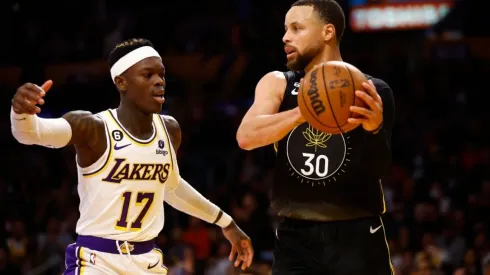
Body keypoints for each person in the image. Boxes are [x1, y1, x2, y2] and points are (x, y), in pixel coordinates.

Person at [10, 38, 254, 274]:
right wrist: (21, 114)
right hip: (98, 261)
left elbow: (170, 187)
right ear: (121, 82)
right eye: (148, 75)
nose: (159, 82)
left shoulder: (169, 130)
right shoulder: (92, 126)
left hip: (147, 261)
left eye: (161, 75)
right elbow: (32, 134)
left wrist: (226, 222)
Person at [236, 0, 395, 274]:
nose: (285, 37)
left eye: (297, 28)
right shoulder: (278, 82)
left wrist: (375, 129)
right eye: (285, 29)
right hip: (295, 237)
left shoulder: (371, 89)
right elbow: (246, 137)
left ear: (327, 32)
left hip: (357, 234)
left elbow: (380, 169)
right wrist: (305, 110)